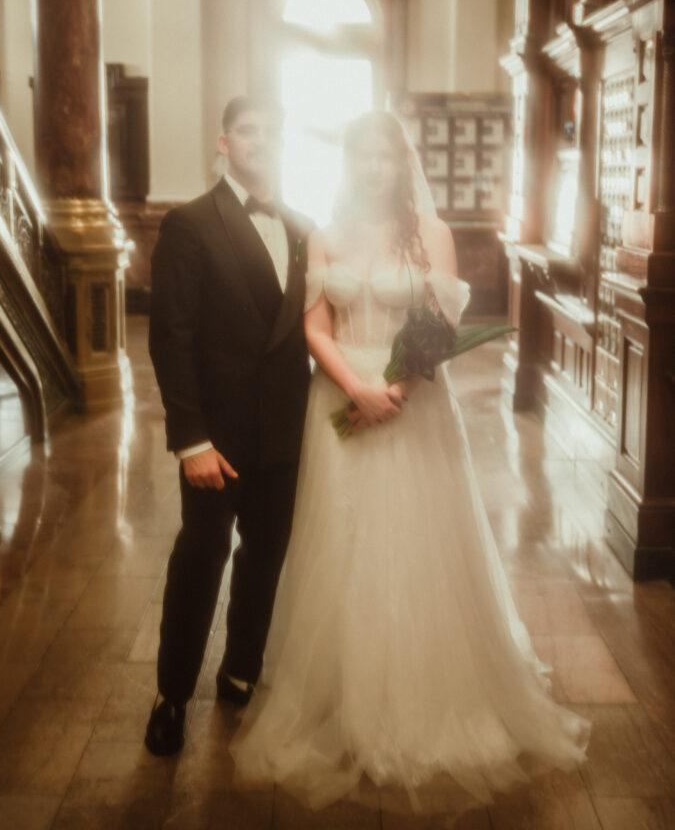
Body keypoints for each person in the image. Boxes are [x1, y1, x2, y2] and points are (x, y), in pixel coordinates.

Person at [230, 110, 589, 809]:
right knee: (342, 545)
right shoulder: (324, 233)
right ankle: (342, 695)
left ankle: (423, 694)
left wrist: (391, 389)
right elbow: (313, 322)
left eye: (385, 157)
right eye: (362, 156)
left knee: (413, 547)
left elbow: (437, 322)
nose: (374, 168)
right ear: (348, 162)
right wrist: (353, 385)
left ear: (401, 162)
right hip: (338, 396)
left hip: (413, 402)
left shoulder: (433, 234)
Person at [145, 96, 311, 756]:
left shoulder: (301, 227)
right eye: (249, 131)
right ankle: (172, 694)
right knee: (200, 559)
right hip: (216, 436)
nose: (262, 140)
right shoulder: (190, 223)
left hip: (286, 433)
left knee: (265, 557)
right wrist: (191, 440)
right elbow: (171, 337)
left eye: (274, 130)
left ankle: (241, 667)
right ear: (224, 142)